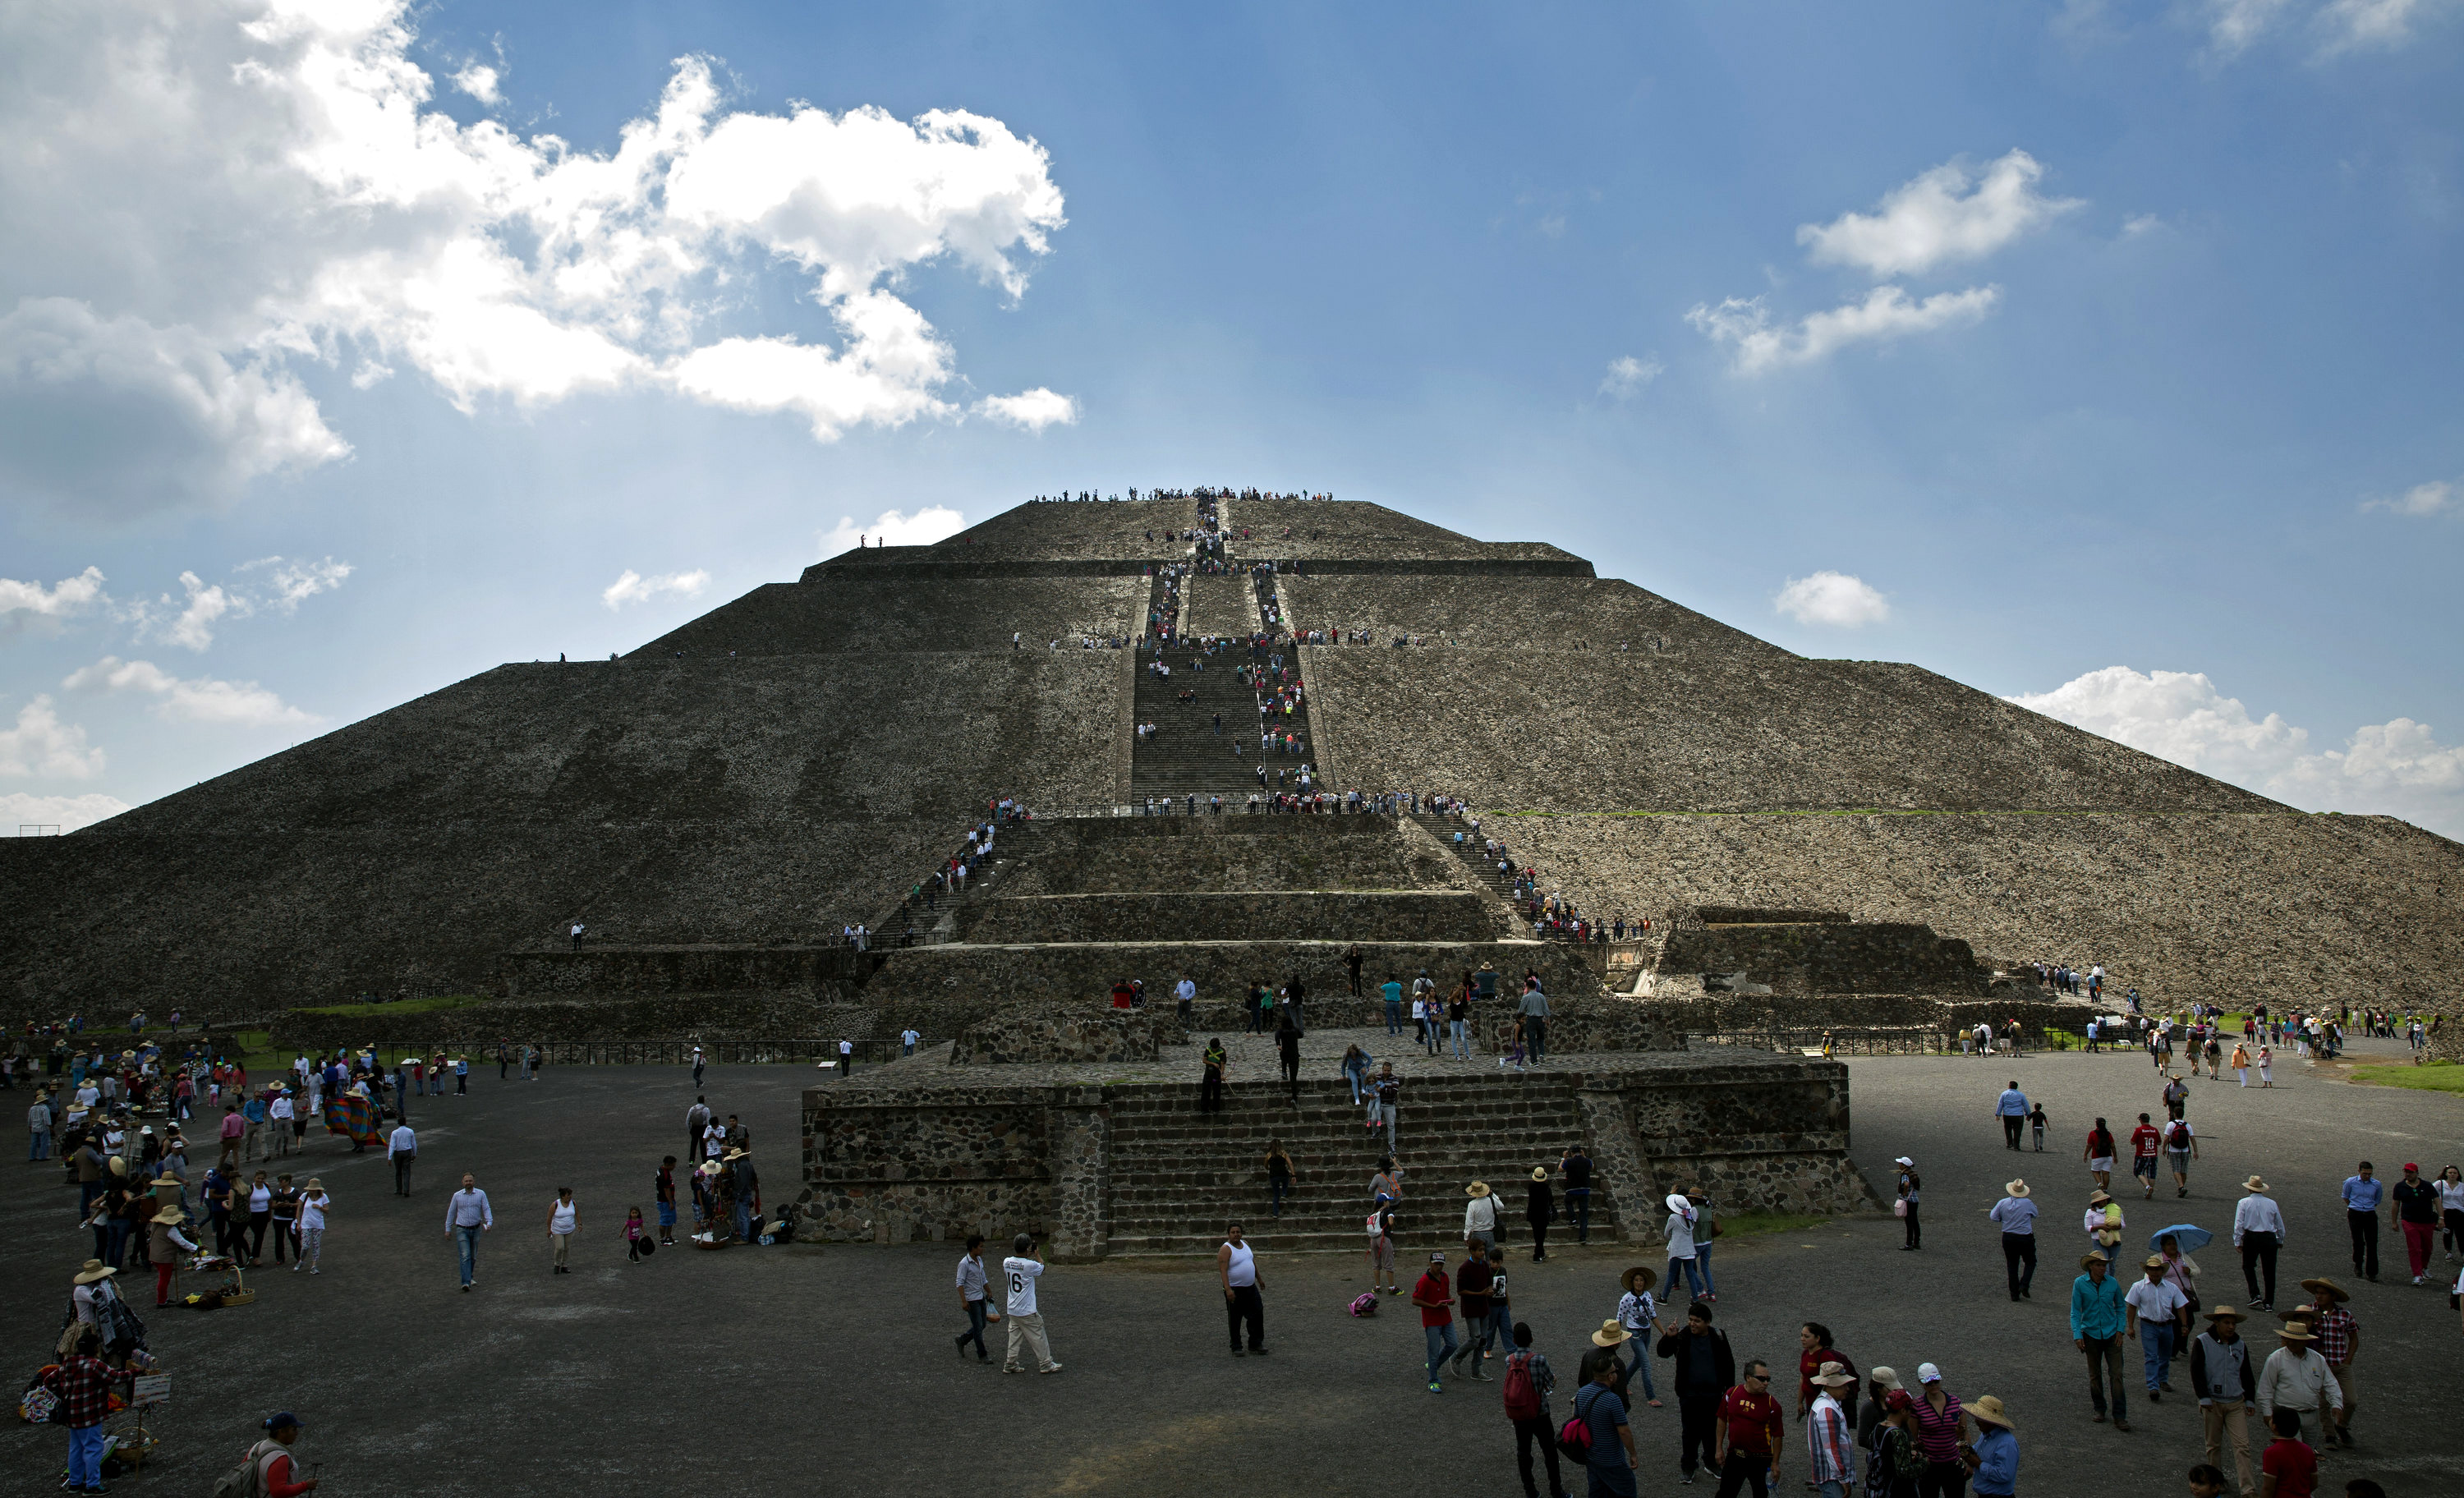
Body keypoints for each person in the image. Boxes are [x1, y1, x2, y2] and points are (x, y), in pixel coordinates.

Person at [1657, 1300, 1735, 1482]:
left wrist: (1729, 1392)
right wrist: (1669, 1337)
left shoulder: (1718, 1336)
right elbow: (1662, 1353)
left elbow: (1728, 1364)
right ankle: (1688, 1466)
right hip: (1689, 1395)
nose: (1692, 1323)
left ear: (1707, 1322)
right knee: (1690, 1432)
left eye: (1697, 1320)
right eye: (1691, 1319)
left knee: (1711, 1430)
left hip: (1714, 1395)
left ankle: (1710, 1462)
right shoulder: (1682, 1335)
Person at [40, 1328, 126, 1493]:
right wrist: (137, 1372)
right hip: (91, 1414)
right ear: (95, 1348)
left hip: (72, 1415)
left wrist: (63, 1393)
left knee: (76, 1448)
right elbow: (116, 1378)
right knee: (94, 1448)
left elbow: (49, 1380)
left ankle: (75, 1483)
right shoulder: (95, 1364)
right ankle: (92, 1485)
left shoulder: (68, 1363)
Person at [2191, 1306, 2259, 1498]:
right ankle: (2215, 1484)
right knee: (2213, 1446)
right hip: (2212, 1401)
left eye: (2233, 1323)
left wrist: (2250, 1400)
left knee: (2242, 1446)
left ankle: (2248, 1489)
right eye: (2227, 1323)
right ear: (2216, 1323)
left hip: (2236, 1402)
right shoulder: (2202, 1342)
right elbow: (2196, 1371)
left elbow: (2246, 1373)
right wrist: (2203, 1397)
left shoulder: (2240, 1344)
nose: (2231, 1327)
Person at [1504, 1322, 1570, 1498]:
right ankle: (1556, 1490)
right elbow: (1550, 1381)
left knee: (1523, 1452)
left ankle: (1530, 1491)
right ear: (1531, 1339)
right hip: (1540, 1411)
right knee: (1549, 1450)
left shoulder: (1508, 1360)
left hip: (1519, 1413)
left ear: (1514, 1340)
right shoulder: (1539, 1360)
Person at [2254, 1318, 2338, 1449]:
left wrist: (2337, 1403)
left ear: (2304, 1341)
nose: (2290, 1342)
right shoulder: (2275, 1359)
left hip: (2312, 1415)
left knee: (2309, 1453)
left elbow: (2330, 1383)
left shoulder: (2318, 1359)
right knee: (2295, 1451)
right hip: (2287, 1416)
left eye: (2295, 1340)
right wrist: (2267, 1412)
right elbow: (2265, 1388)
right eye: (2288, 1339)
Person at [2071, 1249, 2132, 1429]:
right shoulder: (2080, 1284)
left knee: (2117, 1375)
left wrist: (2121, 1330)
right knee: (2094, 1375)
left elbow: (2121, 1307)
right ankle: (2099, 1408)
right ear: (2090, 1266)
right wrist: (2077, 1334)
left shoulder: (2112, 1283)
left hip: (2112, 1335)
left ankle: (2120, 1415)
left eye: (2104, 1265)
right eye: (2099, 1265)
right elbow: (2075, 1311)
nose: (2102, 1268)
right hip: (2090, 1335)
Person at [2298, 1279, 2358, 1448]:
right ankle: (2329, 1435)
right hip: (2320, 1365)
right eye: (2317, 1293)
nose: (2318, 1296)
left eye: (2322, 1293)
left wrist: (2349, 1359)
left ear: (2333, 1296)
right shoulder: (2310, 1313)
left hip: (2341, 1364)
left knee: (2351, 1400)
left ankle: (2341, 1425)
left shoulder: (2345, 1315)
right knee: (2323, 1402)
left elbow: (2354, 1338)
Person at [1713, 1358, 1785, 1498]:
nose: (1766, 1383)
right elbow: (1722, 1419)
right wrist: (1718, 1448)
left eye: (1768, 1379)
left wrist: (1775, 1463)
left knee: (1761, 1493)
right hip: (1736, 1455)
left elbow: (1778, 1436)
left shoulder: (1772, 1405)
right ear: (1748, 1378)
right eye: (1761, 1379)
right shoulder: (1731, 1394)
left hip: (1760, 1460)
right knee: (1726, 1493)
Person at [2126, 1253, 2191, 1402]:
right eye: (2152, 1269)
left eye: (2157, 1269)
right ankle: (2153, 1386)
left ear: (2162, 1271)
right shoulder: (2138, 1287)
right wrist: (2130, 1327)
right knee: (2151, 1356)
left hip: (2167, 1325)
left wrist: (2184, 1324)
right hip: (2148, 1325)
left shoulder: (2172, 1288)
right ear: (2147, 1271)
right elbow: (2131, 1307)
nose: (2155, 1272)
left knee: (2165, 1354)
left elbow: (2181, 1307)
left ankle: (2162, 1379)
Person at [1908, 1363, 1970, 1498]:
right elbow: (1913, 1437)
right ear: (1921, 1383)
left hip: (1954, 1464)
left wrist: (1968, 1460)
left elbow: (1964, 1433)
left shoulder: (1955, 1402)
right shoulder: (1917, 1406)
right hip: (1929, 1466)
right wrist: (1920, 1458)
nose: (1933, 1385)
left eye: (1936, 1381)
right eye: (1929, 1383)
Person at [1000, 1234, 1060, 1374]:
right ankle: (1046, 1363)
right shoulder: (1030, 1265)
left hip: (1013, 1308)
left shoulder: (1007, 1262)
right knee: (1038, 1334)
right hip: (1026, 1309)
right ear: (1028, 1249)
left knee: (1014, 1336)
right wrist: (1038, 1255)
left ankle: (1010, 1363)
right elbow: (1042, 1268)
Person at [1805, 1362, 1857, 1497]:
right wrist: (1844, 1479)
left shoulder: (1827, 1404)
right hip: (1833, 1477)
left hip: (1832, 1476)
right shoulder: (1827, 1409)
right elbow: (1832, 1449)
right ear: (1831, 1385)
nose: (1847, 1388)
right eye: (1843, 1384)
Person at [2235, 1175, 2286, 1310]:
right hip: (2269, 1237)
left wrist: (2237, 1241)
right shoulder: (2272, 1203)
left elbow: (2239, 1224)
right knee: (2269, 1270)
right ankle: (2269, 1301)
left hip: (2251, 1237)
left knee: (2248, 1266)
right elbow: (2279, 1224)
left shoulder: (2243, 1203)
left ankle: (2255, 1294)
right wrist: (2280, 1239)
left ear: (2249, 1190)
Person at [1414, 1250, 1460, 1392]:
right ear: (1430, 1264)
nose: (1439, 1267)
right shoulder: (1425, 1281)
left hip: (1445, 1318)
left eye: (1441, 1264)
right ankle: (1433, 1380)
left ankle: (1434, 1365)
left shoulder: (1445, 1277)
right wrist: (1433, 1306)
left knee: (1453, 1344)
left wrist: (1450, 1300)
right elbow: (1415, 1300)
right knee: (1433, 1351)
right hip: (1432, 1321)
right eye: (1436, 1264)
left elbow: (1446, 1293)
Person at [1221, 1221, 1266, 1355]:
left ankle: (1255, 1343)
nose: (1236, 1235)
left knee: (1257, 1312)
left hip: (1250, 1287)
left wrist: (1259, 1278)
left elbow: (1251, 1261)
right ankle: (1236, 1345)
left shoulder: (1246, 1244)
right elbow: (1223, 1271)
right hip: (1235, 1289)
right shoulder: (1226, 1249)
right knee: (1235, 1317)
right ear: (1228, 1234)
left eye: (1238, 1232)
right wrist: (1228, 1289)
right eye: (1233, 1232)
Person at [2390, 1163, 2439, 1284]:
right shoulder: (2400, 1187)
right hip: (2409, 1221)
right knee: (2415, 1248)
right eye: (2406, 1172)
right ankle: (2417, 1275)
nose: (2408, 1174)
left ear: (2417, 1173)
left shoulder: (2427, 1186)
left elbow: (2437, 1201)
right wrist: (2394, 1222)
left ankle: (2424, 1267)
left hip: (2427, 1222)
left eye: (2410, 1172)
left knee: (2427, 1248)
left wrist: (2441, 1218)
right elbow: (2396, 1204)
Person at [1991, 1179, 2039, 1301]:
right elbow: (2035, 1214)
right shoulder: (2027, 1203)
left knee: (2012, 1264)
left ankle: (2014, 1294)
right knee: (2030, 1261)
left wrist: (2005, 1220)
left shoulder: (2003, 1202)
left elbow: (1993, 1216)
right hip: (2025, 1236)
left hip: (2008, 1236)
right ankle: (2024, 1284)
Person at [446, 1171, 492, 1291]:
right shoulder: (457, 1196)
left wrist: (489, 1222)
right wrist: (448, 1228)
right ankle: (465, 1282)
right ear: (462, 1182)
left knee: (473, 1255)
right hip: (462, 1229)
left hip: (476, 1228)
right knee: (465, 1255)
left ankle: (469, 1276)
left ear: (474, 1182)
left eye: (470, 1181)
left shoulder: (481, 1194)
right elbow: (451, 1212)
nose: (468, 1183)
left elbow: (486, 1208)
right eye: (466, 1181)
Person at [1965, 1396, 2016, 1498]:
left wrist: (1979, 1464)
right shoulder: (1985, 1435)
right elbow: (1977, 1451)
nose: (1976, 1421)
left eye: (1980, 1418)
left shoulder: (2006, 1443)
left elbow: (2004, 1474)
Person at [2259, 1408, 2317, 1498]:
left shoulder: (2272, 1452)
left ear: (2274, 1426)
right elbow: (2314, 1483)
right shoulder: (2307, 1450)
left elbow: (2268, 1488)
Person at [2339, 1162, 2381, 1281]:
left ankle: (2372, 1272)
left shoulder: (2377, 1184)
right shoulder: (2350, 1182)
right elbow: (2345, 1196)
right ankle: (2358, 1263)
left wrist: (2368, 1207)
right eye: (2365, 1173)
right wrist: (2354, 1206)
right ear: (2359, 1171)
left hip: (2369, 1213)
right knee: (2358, 1241)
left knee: (2372, 1243)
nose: (2367, 1176)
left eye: (2369, 1174)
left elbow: (2377, 1199)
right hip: (2355, 1213)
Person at [294, 1178, 329, 1274]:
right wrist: (299, 1223)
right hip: (306, 1224)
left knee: (316, 1245)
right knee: (305, 1245)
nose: (312, 1191)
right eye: (311, 1189)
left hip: (318, 1224)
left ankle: (314, 1266)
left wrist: (319, 1207)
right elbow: (299, 1210)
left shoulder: (324, 1197)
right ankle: (301, 1260)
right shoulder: (304, 1196)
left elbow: (327, 1210)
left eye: (314, 1189)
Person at [1563, 1143, 1594, 1243]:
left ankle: (1573, 1219)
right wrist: (1584, 1156)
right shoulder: (1586, 1161)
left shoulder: (1569, 1161)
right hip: (1584, 1190)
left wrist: (1564, 1158)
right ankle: (1583, 1237)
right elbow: (1592, 1167)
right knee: (1583, 1215)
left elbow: (1560, 1168)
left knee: (1567, 1202)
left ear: (1571, 1153)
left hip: (1572, 1189)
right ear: (1581, 1152)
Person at [1528, 1166, 1556, 1261]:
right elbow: (1551, 1200)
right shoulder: (1546, 1187)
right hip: (1543, 1213)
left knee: (1536, 1233)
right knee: (1541, 1234)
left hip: (1533, 1213)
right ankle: (1537, 1254)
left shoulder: (1531, 1186)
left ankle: (1541, 1252)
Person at [547, 1186, 577, 1273]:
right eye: (568, 1195)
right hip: (557, 1230)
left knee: (567, 1248)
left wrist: (580, 1224)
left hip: (569, 1230)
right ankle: (557, 1264)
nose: (570, 1197)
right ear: (563, 1196)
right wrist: (549, 1230)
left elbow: (577, 1213)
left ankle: (564, 1265)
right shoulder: (555, 1205)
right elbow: (549, 1218)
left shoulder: (573, 1203)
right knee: (560, 1247)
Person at [1893, 1157, 1921, 1251]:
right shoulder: (1912, 1173)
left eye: (1900, 1163)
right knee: (1915, 1222)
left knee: (1909, 1223)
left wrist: (1904, 1194)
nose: (1899, 1165)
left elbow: (1906, 1184)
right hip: (1914, 1200)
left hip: (1908, 1201)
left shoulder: (1905, 1174)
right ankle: (1916, 1242)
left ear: (1904, 1165)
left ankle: (1908, 1244)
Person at [1994, 1080, 2029, 1151]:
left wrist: (1998, 1114)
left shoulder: (2004, 1094)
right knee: (2018, 1131)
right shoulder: (2021, 1095)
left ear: (2009, 1086)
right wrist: (2028, 1114)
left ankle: (2009, 1143)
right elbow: (2026, 1105)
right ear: (2017, 1087)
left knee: (2008, 1129)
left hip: (2007, 1115)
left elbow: (2000, 1104)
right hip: (2018, 1115)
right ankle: (2016, 1145)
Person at [2085, 1117, 2117, 1192]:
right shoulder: (2108, 1134)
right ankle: (2105, 1189)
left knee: (2095, 1171)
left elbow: (2089, 1145)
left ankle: (2100, 1184)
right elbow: (2113, 1146)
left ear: (2097, 1124)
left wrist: (2085, 1154)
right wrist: (2115, 1156)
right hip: (2108, 1156)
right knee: (2106, 1173)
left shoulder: (2093, 1133)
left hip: (2097, 1156)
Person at [388, 1116, 416, 1197]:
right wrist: (414, 1154)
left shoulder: (395, 1133)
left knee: (398, 1172)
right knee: (406, 1172)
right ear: (405, 1122)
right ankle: (406, 1190)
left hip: (397, 1153)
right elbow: (413, 1144)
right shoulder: (410, 1131)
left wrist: (389, 1157)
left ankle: (399, 1189)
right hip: (407, 1152)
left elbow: (392, 1145)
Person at [1266, 1142, 1294, 1217]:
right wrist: (1293, 1175)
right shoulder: (1283, 1153)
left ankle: (1275, 1214)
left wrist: (1268, 1168)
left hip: (1274, 1176)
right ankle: (1284, 1193)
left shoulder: (1269, 1155)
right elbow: (1290, 1163)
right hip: (1283, 1174)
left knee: (1276, 1195)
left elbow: (1265, 1165)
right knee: (1286, 1180)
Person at [1200, 1037, 1227, 1113]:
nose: (1214, 1050)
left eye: (1215, 1048)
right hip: (1208, 1073)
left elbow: (1222, 1065)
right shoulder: (1208, 1049)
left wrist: (1222, 1075)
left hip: (1216, 1075)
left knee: (1216, 1091)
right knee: (1206, 1091)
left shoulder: (1222, 1052)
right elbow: (1204, 1060)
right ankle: (1204, 1109)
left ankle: (1215, 1109)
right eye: (1213, 1048)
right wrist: (1213, 1063)